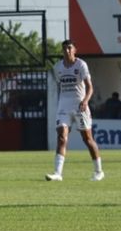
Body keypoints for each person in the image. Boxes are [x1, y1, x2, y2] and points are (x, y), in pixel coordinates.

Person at [45, 40, 104, 182]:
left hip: (80, 106)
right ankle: (58, 173)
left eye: (69, 48)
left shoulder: (81, 65)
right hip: (63, 107)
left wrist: (85, 101)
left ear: (75, 50)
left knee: (87, 139)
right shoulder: (58, 67)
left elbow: (90, 87)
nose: (67, 51)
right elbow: (59, 86)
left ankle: (99, 171)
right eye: (64, 49)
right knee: (61, 137)